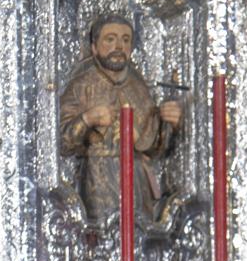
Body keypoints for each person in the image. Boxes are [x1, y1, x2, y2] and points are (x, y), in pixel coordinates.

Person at [58, 15, 181, 221]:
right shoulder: (81, 85)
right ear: (94, 47)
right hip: (97, 183)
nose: (119, 46)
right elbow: (62, 143)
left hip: (137, 183)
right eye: (110, 39)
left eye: (125, 40)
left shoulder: (138, 86)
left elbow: (153, 147)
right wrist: (87, 119)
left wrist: (169, 125)